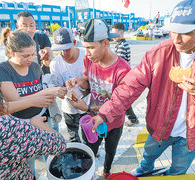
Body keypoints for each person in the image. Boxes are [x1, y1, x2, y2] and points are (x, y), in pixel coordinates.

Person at [92, 0, 195, 176]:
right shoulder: (158, 54)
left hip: (190, 136)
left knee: (178, 171)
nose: (176, 39)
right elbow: (130, 86)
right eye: (173, 30)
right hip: (159, 127)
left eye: (185, 33)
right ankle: (144, 168)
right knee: (147, 156)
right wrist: (104, 113)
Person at [0, 28, 67, 177]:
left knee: (54, 157)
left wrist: (53, 90)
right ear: (13, 53)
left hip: (42, 119)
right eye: (25, 55)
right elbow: (15, 102)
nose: (30, 59)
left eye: (33, 54)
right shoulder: (2, 69)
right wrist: (42, 95)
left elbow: (41, 89)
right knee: (28, 166)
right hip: (20, 126)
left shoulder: (34, 66)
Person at [66, 18, 131, 179]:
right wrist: (80, 82)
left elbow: (118, 105)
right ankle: (89, 173)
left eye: (91, 48)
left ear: (105, 43)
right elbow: (88, 81)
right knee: (90, 149)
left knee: (110, 150)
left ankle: (106, 171)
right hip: (92, 120)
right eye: (84, 47)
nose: (86, 53)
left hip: (114, 122)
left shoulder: (122, 70)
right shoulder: (89, 59)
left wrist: (86, 108)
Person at [49, 27, 90, 142]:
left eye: (66, 49)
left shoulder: (86, 56)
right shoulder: (55, 64)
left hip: (87, 105)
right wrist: (62, 89)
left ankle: (91, 151)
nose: (63, 53)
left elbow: (94, 83)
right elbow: (57, 88)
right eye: (59, 49)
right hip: (69, 108)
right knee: (73, 137)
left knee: (89, 133)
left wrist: (83, 83)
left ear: (74, 43)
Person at [112, 22, 139, 127]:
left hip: (122, 77)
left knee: (123, 100)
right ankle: (132, 118)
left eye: (115, 34)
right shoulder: (120, 44)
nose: (113, 36)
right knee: (123, 100)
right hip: (124, 76)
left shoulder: (122, 46)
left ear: (122, 33)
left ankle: (133, 119)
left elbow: (118, 64)